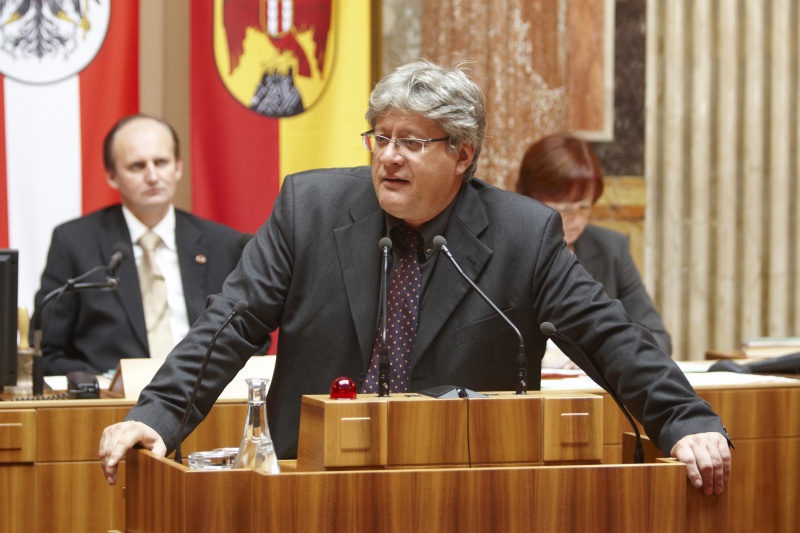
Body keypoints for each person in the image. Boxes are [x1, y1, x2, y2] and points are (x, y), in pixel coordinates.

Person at [99, 61, 731, 495]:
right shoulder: (309, 209)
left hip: (453, 484)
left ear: (462, 153)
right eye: (381, 136)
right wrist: (156, 414)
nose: (388, 155)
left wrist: (685, 420)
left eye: (412, 141)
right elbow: (229, 323)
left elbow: (608, 336)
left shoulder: (521, 234)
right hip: (312, 481)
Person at [34, 114, 249, 375]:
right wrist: (100, 385)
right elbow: (49, 351)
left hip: (205, 399)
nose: (152, 176)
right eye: (137, 166)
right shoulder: (74, 242)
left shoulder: (223, 243)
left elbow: (249, 338)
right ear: (112, 176)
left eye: (161, 162)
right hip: (112, 405)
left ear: (178, 167)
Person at [516, 133, 672, 362]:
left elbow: (658, 338)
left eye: (583, 207)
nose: (574, 219)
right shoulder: (504, 249)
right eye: (561, 208)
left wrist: (596, 355)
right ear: (527, 199)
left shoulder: (611, 249)